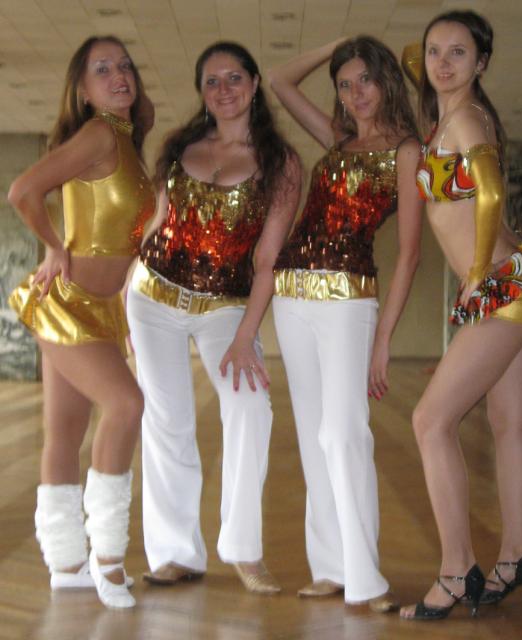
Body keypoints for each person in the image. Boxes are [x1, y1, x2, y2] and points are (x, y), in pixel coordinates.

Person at [398, 10, 522, 621]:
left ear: (483, 63)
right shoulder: (456, 114)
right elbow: (413, 58)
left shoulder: (466, 119)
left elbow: (490, 193)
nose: (442, 63)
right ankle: (515, 557)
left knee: (429, 421)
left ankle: (455, 570)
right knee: (509, 424)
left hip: (501, 286)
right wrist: (424, 57)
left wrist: (474, 277)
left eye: (459, 53)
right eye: (434, 51)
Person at [125, 41, 301, 594]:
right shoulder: (180, 146)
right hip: (152, 299)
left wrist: (247, 336)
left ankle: (244, 550)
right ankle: (176, 553)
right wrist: (121, 296)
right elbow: (153, 224)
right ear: (201, 91)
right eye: (211, 81)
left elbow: (268, 260)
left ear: (254, 85)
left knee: (250, 406)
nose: (223, 90)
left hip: (225, 307)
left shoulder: (281, 164)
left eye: (234, 78)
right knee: (166, 420)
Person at [267, 36, 423, 612]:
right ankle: (331, 568)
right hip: (291, 295)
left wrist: (383, 341)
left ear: (386, 80)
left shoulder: (407, 150)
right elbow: (279, 80)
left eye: (365, 79)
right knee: (315, 436)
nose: (355, 93)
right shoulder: (337, 139)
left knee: (344, 433)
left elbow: (410, 254)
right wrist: (338, 44)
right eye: (344, 84)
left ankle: (366, 577)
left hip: (348, 300)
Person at [8, 36, 156, 609]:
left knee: (65, 434)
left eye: (125, 65)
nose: (119, 74)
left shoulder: (125, 142)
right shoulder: (97, 133)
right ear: (83, 89)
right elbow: (24, 191)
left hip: (102, 310)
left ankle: (66, 562)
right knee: (127, 405)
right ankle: (108, 556)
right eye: (103, 68)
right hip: (67, 301)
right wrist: (53, 246)